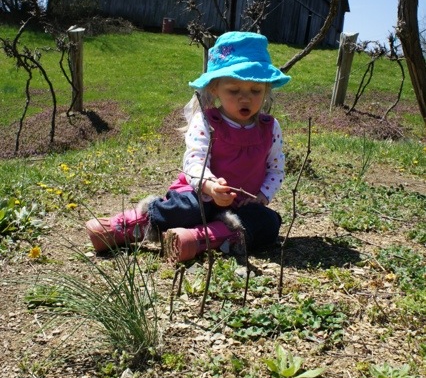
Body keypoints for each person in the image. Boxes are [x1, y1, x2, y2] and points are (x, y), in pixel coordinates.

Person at [86, 31, 291, 262]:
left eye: (256, 90)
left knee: (269, 222)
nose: (246, 98)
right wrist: (210, 186)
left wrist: (261, 197)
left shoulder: (270, 128)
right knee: (188, 208)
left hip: (241, 206)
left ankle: (200, 238)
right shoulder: (207, 122)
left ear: (266, 89)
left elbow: (276, 169)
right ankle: (130, 226)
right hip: (201, 196)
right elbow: (194, 162)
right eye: (234, 90)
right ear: (214, 88)